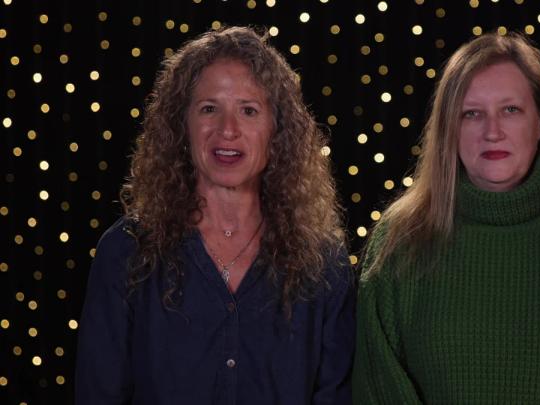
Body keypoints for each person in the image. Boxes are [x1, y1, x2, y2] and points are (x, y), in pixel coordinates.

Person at [352, 32, 540, 404]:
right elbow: (377, 388)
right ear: (449, 129)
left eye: (510, 110)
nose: (492, 132)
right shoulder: (401, 238)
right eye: (472, 114)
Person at [75, 26, 355, 404]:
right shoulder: (126, 251)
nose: (228, 130)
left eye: (248, 110)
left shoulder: (324, 264)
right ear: (182, 125)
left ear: (277, 129)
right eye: (209, 108)